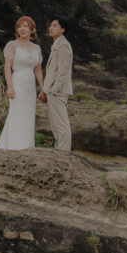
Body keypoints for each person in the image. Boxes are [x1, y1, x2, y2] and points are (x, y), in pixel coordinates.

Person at [0, 15, 44, 150]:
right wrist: (10, 87)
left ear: (31, 29)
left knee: (28, 115)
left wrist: (42, 88)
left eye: (25, 26)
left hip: (30, 86)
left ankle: (27, 146)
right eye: (19, 26)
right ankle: (13, 146)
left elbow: (38, 69)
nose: (22, 29)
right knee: (16, 113)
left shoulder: (36, 49)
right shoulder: (13, 45)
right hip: (17, 82)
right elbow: (7, 67)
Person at [39, 17, 73, 152]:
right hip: (52, 91)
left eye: (54, 25)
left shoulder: (63, 45)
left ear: (62, 29)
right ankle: (59, 152)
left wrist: (54, 90)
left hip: (57, 92)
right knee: (55, 125)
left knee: (62, 126)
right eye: (50, 25)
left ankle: (63, 155)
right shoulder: (57, 44)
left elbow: (63, 70)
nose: (50, 28)